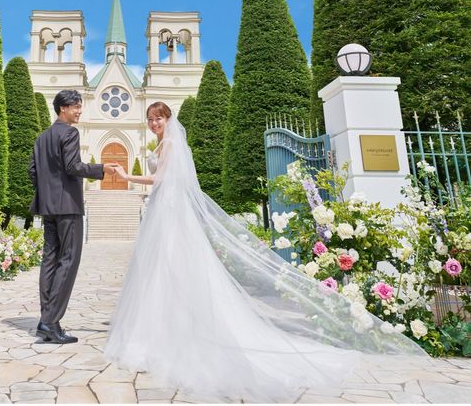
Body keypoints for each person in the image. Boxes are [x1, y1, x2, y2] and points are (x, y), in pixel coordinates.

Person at [104, 101, 429, 402]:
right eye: (150, 120)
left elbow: (161, 179)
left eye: (158, 119)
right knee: (164, 270)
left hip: (170, 213)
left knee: (171, 267)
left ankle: (170, 335)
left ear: (168, 120)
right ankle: (165, 331)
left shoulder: (171, 145)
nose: (154, 124)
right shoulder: (164, 144)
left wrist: (125, 175)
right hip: (165, 211)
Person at [28, 89, 122, 344]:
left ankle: (46, 320)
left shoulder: (41, 137)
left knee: (50, 260)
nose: (80, 111)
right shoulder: (70, 133)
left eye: (80, 106)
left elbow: (33, 171)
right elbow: (72, 166)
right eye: (76, 107)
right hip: (68, 206)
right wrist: (102, 168)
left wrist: (47, 193)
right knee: (68, 260)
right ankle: (50, 321)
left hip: (47, 206)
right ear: (63, 108)